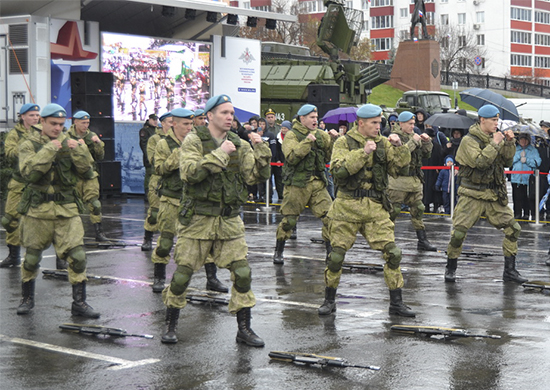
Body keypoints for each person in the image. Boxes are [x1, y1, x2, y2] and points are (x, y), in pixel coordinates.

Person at [160, 94, 271, 346]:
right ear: (209, 116)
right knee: (182, 275)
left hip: (229, 220)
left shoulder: (238, 143)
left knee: (242, 273)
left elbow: (255, 176)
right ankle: (170, 324)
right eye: (224, 113)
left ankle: (244, 329)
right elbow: (189, 174)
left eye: (232, 113)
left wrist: (261, 148)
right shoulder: (193, 140)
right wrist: (220, 153)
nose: (230, 117)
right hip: (198, 219)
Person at [318, 104, 416, 317]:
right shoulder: (344, 142)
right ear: (360, 123)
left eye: (379, 122)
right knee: (336, 257)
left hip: (375, 207)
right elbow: (339, 172)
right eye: (373, 123)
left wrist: (400, 147)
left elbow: (400, 168)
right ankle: (329, 299)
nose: (378, 126)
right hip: (347, 206)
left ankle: (396, 302)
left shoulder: (383, 142)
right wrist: (363, 153)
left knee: (393, 253)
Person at [16, 103, 100, 318]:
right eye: (53, 124)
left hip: (66, 209)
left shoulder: (70, 142)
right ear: (41, 121)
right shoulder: (29, 144)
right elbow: (29, 174)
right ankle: (27, 298)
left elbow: (87, 171)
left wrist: (79, 150)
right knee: (32, 258)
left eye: (61, 125)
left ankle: (79, 303)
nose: (57, 128)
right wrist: (51, 148)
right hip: (37, 211)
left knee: (78, 256)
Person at [444, 105, 527, 283]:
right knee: (458, 234)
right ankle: (451, 267)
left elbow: (507, 161)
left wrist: (510, 143)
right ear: (482, 120)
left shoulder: (495, 137)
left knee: (514, 229)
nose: (496, 124)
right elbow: (480, 162)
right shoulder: (469, 140)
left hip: (493, 194)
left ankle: (510, 270)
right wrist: (495, 143)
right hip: (471, 194)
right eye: (493, 120)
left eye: (498, 120)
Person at [150, 108, 227, 294]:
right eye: (185, 124)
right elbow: (159, 169)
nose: (189, 128)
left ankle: (211, 278)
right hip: (171, 199)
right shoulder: (163, 144)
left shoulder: (197, 142)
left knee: (204, 240)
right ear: (174, 124)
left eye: (191, 124)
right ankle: (159, 277)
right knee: (166, 242)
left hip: (192, 200)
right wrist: (178, 155)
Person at [272, 104, 339, 264]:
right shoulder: (292, 135)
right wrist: (307, 142)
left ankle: (330, 253)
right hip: (297, 184)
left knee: (330, 217)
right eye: (312, 117)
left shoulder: (321, 135)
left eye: (316, 117)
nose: (315, 120)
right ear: (302, 119)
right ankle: (279, 249)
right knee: (289, 221)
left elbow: (327, 157)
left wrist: (333, 141)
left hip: (317, 183)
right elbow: (291, 157)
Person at [387, 111, 437, 251]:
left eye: (413, 124)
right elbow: (401, 155)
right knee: (393, 210)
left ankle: (422, 240)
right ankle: (386, 239)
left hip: (414, 180)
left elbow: (426, 154)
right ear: (401, 124)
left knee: (418, 209)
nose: (412, 126)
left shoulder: (413, 135)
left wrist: (427, 143)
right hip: (398, 181)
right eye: (409, 124)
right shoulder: (394, 137)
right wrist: (414, 141)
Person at [1, 104, 40, 268]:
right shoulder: (14, 134)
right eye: (32, 115)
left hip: (38, 181)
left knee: (47, 219)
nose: (36, 118)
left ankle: (60, 259)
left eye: (37, 115)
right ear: (22, 116)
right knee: (10, 219)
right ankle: (13, 255)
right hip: (19, 182)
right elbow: (9, 154)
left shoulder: (42, 132)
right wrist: (26, 143)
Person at [67, 111, 108, 242]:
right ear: (75, 122)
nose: (86, 126)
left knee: (95, 204)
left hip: (90, 175)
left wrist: (98, 144)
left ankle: (99, 231)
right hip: (74, 176)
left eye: (88, 123)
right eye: (83, 123)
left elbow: (100, 156)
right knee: (73, 205)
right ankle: (74, 233)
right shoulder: (67, 136)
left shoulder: (91, 136)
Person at [141, 112, 172, 251]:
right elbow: (153, 159)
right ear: (163, 123)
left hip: (174, 179)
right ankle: (148, 238)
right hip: (158, 179)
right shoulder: (155, 139)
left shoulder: (179, 139)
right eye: (170, 122)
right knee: (154, 212)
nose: (173, 125)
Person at [511, 132, 541, 220]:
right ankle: (517, 213)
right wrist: (518, 157)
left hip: (528, 178)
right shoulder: (515, 149)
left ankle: (527, 213)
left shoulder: (533, 150)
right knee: (516, 197)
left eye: (525, 140)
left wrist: (527, 160)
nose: (523, 141)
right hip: (516, 178)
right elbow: (509, 161)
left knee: (526, 197)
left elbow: (537, 162)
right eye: (521, 139)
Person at [138, 113, 159, 195]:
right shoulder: (145, 130)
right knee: (149, 175)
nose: (155, 122)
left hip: (157, 157)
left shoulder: (156, 130)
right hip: (149, 157)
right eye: (153, 120)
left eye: (156, 120)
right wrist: (148, 157)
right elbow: (144, 145)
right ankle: (147, 193)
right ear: (149, 119)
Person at [535, 121, 550, 219]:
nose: (543, 129)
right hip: (540, 171)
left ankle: (549, 210)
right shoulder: (539, 141)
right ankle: (540, 210)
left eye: (545, 127)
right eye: (542, 127)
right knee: (540, 191)